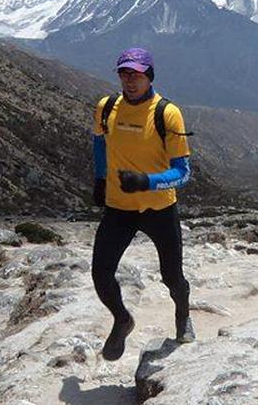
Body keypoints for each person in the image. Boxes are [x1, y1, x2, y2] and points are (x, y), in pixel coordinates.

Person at [91, 47, 194, 361]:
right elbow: (99, 143)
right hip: (119, 207)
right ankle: (122, 319)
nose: (130, 80)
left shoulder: (166, 113)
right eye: (124, 73)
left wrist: (145, 181)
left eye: (136, 74)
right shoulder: (107, 108)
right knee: (100, 273)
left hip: (159, 208)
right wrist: (99, 180)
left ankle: (182, 314)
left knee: (172, 275)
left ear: (149, 76)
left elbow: (183, 172)